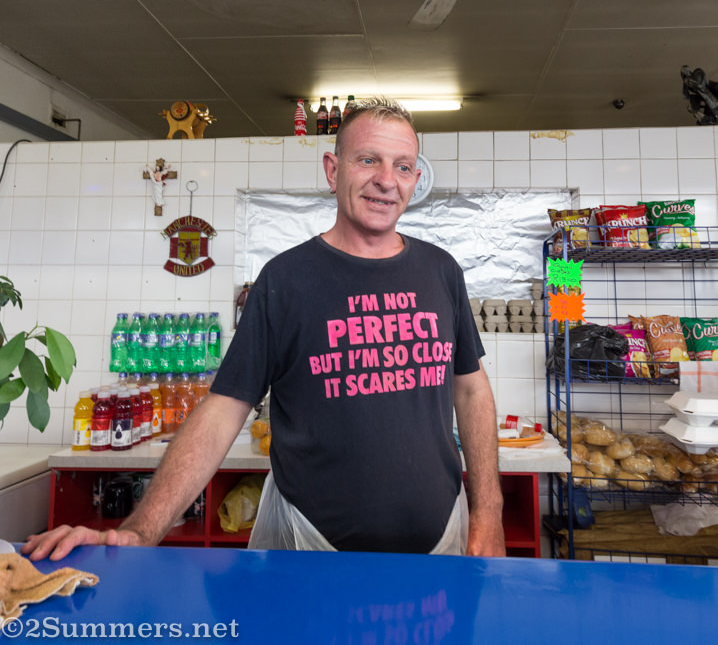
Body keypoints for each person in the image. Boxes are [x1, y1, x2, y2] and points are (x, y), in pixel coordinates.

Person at [25, 97, 506, 561]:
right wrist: (139, 529)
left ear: (415, 179)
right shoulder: (286, 279)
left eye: (402, 166)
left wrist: (489, 515)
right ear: (332, 170)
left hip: (442, 539)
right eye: (368, 160)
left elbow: (471, 392)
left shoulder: (441, 271)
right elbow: (223, 409)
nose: (386, 180)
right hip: (309, 546)